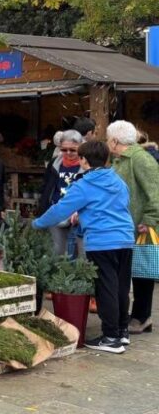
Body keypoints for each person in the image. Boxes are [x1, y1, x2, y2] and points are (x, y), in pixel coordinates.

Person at [33, 139, 135, 353]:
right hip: (125, 238)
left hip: (102, 241)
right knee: (121, 286)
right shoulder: (117, 180)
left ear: (84, 160)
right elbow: (124, 204)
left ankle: (110, 338)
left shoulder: (84, 185)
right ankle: (122, 331)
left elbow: (60, 210)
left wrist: (36, 223)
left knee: (105, 287)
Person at [107, 120, 159, 335]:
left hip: (141, 225)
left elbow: (155, 190)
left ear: (115, 140)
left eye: (108, 139)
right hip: (126, 224)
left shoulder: (140, 159)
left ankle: (142, 316)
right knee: (134, 270)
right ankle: (136, 315)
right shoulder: (121, 159)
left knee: (143, 271)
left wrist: (149, 219)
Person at [39, 130, 85, 258]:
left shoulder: (87, 165)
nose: (68, 153)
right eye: (64, 150)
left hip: (78, 215)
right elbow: (46, 187)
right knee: (58, 251)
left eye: (72, 150)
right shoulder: (55, 163)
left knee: (81, 253)